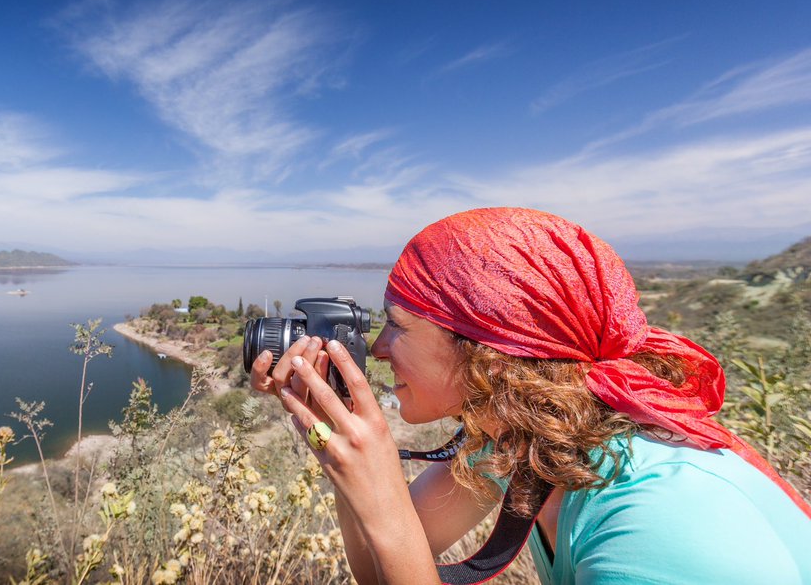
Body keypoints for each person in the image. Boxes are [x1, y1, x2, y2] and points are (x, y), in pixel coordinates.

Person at [250, 207, 811, 585]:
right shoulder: (533, 444)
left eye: (397, 325)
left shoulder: (661, 525)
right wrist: (341, 446)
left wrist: (374, 484)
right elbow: (381, 566)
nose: (375, 348)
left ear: (487, 348)